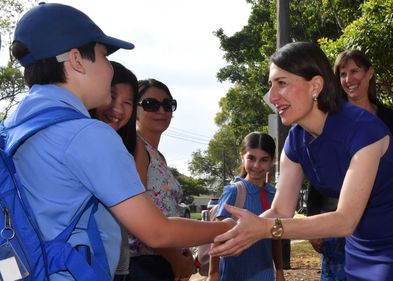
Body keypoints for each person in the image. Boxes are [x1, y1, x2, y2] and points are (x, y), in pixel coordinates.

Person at [5, 3, 233, 280]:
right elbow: (156, 231)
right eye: (103, 56)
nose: (110, 70)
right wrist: (228, 228)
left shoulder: (15, 124)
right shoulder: (85, 134)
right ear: (76, 60)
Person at [210, 41, 393, 281]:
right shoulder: (295, 142)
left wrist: (265, 229)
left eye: (282, 83)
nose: (272, 97)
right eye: (270, 85)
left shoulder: (364, 129)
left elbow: (345, 220)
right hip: (360, 239)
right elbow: (280, 210)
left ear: (316, 86)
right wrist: (230, 231)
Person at [305, 49, 393, 280]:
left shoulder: (391, 120)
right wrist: (313, 220)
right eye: (342, 73)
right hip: (335, 220)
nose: (348, 79)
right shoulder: (327, 119)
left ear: (369, 73)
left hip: (380, 222)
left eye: (354, 71)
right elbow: (317, 170)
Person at [129, 78, 194, 281]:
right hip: (145, 264)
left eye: (168, 105)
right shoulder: (137, 148)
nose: (161, 111)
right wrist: (175, 258)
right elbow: (137, 214)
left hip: (163, 262)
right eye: (150, 104)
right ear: (134, 109)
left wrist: (185, 253)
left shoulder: (157, 155)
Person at [207, 132, 285, 281]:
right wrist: (213, 274)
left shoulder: (275, 195)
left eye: (264, 160)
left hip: (266, 274)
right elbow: (217, 236)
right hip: (233, 274)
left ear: (272, 161)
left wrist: (280, 271)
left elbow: (277, 238)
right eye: (251, 158)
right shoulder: (234, 191)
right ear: (242, 156)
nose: (256, 165)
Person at [90, 60, 139, 281]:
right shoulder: (89, 142)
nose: (117, 109)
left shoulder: (122, 148)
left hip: (116, 268)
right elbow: (153, 230)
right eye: (111, 95)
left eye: (128, 102)